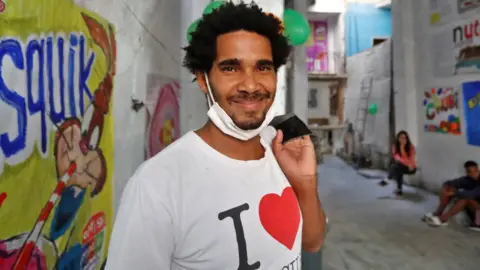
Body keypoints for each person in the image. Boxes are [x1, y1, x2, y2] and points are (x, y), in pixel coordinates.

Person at [105, 2, 326, 270]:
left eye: (263, 67)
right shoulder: (157, 185)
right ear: (203, 79)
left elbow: (312, 243)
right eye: (231, 68)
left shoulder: (281, 147)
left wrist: (305, 185)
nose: (250, 85)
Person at [424, 161, 480, 230]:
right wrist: (446, 187)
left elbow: (472, 193)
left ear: (478, 170)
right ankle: (438, 213)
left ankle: (442, 219)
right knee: (449, 187)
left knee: (466, 198)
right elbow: (450, 182)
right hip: (476, 215)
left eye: (476, 171)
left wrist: (454, 192)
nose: (474, 174)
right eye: (470, 172)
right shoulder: (468, 179)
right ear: (467, 172)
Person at [378, 130, 417, 197]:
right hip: (402, 166)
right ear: (398, 138)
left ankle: (387, 179)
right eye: (401, 138)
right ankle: (399, 190)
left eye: (405, 138)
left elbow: (412, 159)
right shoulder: (395, 147)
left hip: (411, 168)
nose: (403, 139)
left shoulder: (411, 147)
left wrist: (407, 162)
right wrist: (402, 148)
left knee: (396, 166)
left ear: (407, 139)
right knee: (398, 168)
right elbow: (398, 158)